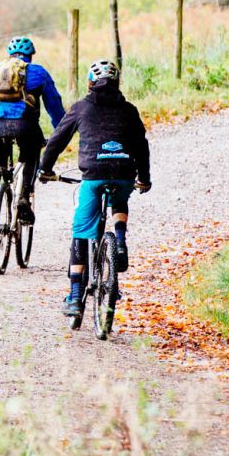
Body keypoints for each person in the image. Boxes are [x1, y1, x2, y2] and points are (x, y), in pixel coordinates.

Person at [38, 59, 151, 318]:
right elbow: (141, 146)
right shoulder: (129, 110)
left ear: (90, 83)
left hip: (93, 173)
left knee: (80, 231)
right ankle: (120, 240)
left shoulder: (81, 108)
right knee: (120, 198)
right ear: (116, 83)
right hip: (124, 173)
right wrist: (143, 178)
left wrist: (45, 169)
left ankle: (76, 296)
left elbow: (56, 140)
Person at [0, 35, 65, 226]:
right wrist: (59, 132)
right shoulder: (39, 72)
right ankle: (24, 196)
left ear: (9, 54)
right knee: (31, 158)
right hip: (25, 125)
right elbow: (54, 106)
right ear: (30, 55)